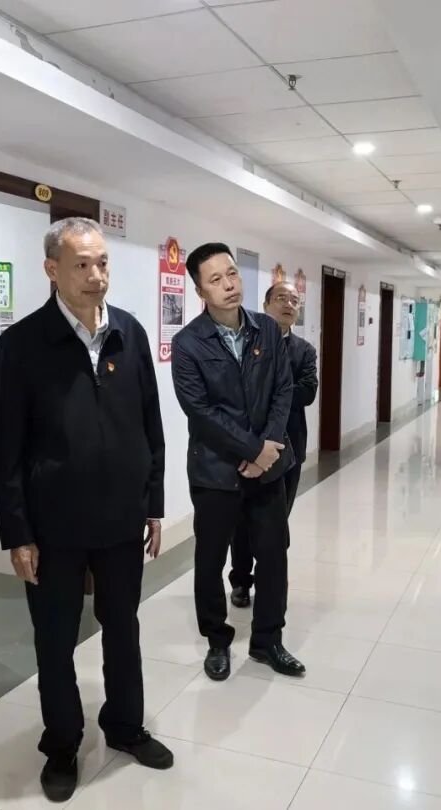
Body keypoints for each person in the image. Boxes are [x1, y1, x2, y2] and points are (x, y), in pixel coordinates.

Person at [0, 218, 173, 803]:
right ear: (52, 270)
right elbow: (8, 450)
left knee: (123, 628)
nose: (96, 276)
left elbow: (150, 425)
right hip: (53, 526)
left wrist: (154, 504)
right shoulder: (21, 345)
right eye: (81, 265)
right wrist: (17, 532)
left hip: (122, 519)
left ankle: (125, 725)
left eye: (102, 263)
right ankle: (63, 743)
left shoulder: (129, 333)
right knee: (54, 640)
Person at [171, 243, 306, 682]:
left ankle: (268, 640)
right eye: (216, 279)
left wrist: (269, 447)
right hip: (215, 472)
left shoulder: (266, 329)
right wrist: (252, 450)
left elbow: (283, 389)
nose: (229, 284)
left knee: (273, 554)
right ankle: (217, 640)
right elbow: (201, 412)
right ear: (200, 291)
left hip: (268, 469)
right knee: (211, 560)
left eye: (232, 273)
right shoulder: (188, 343)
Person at [229, 281, 318, 608]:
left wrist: (271, 391)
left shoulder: (304, 351)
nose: (288, 304)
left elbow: (307, 392)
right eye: (281, 298)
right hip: (249, 447)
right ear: (266, 305)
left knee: (277, 522)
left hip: (288, 450)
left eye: (294, 300)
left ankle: (270, 583)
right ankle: (241, 580)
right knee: (242, 520)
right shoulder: (245, 344)